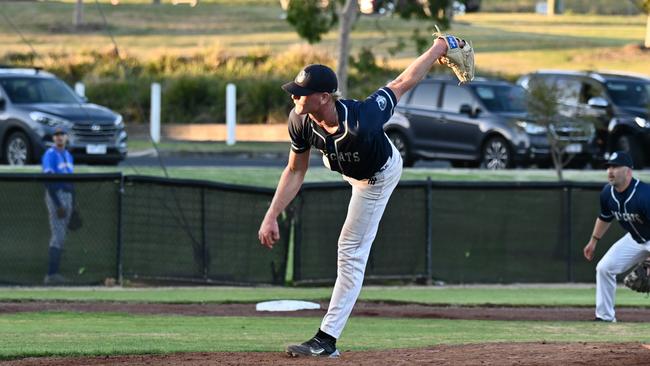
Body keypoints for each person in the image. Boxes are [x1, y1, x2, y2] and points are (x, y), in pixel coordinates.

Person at [258, 35, 468, 357]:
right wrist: (272, 215)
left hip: (378, 176)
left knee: (350, 250)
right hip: (351, 172)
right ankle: (326, 341)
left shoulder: (363, 118)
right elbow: (295, 171)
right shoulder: (299, 120)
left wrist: (440, 47)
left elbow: (402, 82)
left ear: (325, 97)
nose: (295, 97)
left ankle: (326, 341)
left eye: (303, 93)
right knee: (349, 243)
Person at [583, 151, 650, 322]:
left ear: (628, 171)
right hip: (636, 239)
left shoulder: (644, 195)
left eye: (615, 166)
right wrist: (593, 241)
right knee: (604, 268)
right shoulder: (607, 193)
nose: (610, 171)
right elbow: (605, 217)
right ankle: (604, 317)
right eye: (608, 167)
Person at [42, 127, 75, 285]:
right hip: (57, 195)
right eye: (56, 135)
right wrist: (57, 203)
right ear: (53, 138)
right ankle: (51, 274)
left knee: (62, 235)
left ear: (66, 137)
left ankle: (55, 273)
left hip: (68, 195)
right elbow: (48, 180)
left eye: (62, 134)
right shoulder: (50, 155)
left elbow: (72, 182)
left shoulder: (68, 155)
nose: (59, 137)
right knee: (58, 235)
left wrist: (73, 205)